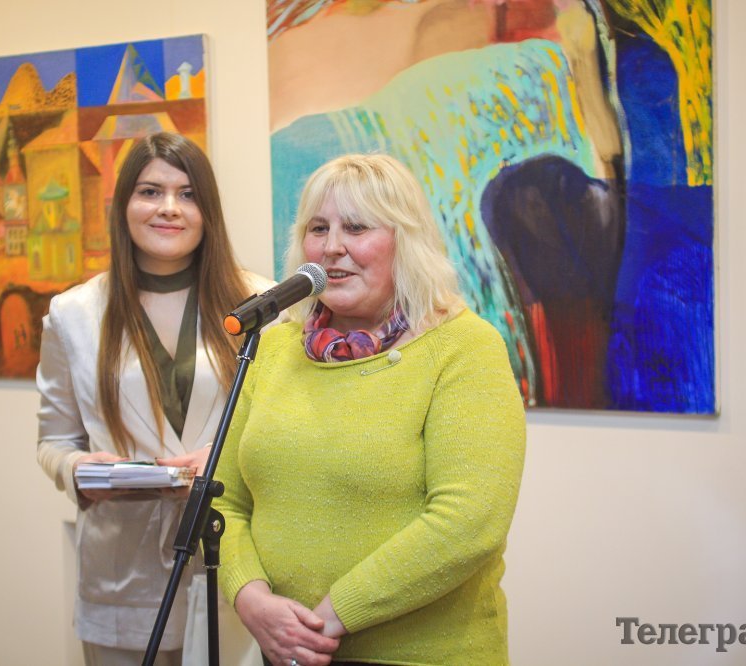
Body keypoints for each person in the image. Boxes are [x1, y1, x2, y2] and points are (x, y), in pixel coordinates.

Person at [216, 153, 527, 666]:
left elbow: (469, 521)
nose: (332, 246)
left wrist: (331, 618)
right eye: (319, 228)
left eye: (356, 227)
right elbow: (222, 499)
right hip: (281, 650)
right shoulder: (273, 348)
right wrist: (249, 597)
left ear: (407, 241)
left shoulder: (464, 347)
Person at [36, 132, 266, 666]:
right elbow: (53, 441)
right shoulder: (73, 315)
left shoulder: (261, 304)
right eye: (150, 191)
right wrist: (78, 470)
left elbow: (285, 429)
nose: (169, 208)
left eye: (188, 194)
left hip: (232, 568)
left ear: (209, 211)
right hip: (122, 575)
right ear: (123, 205)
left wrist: (226, 459)